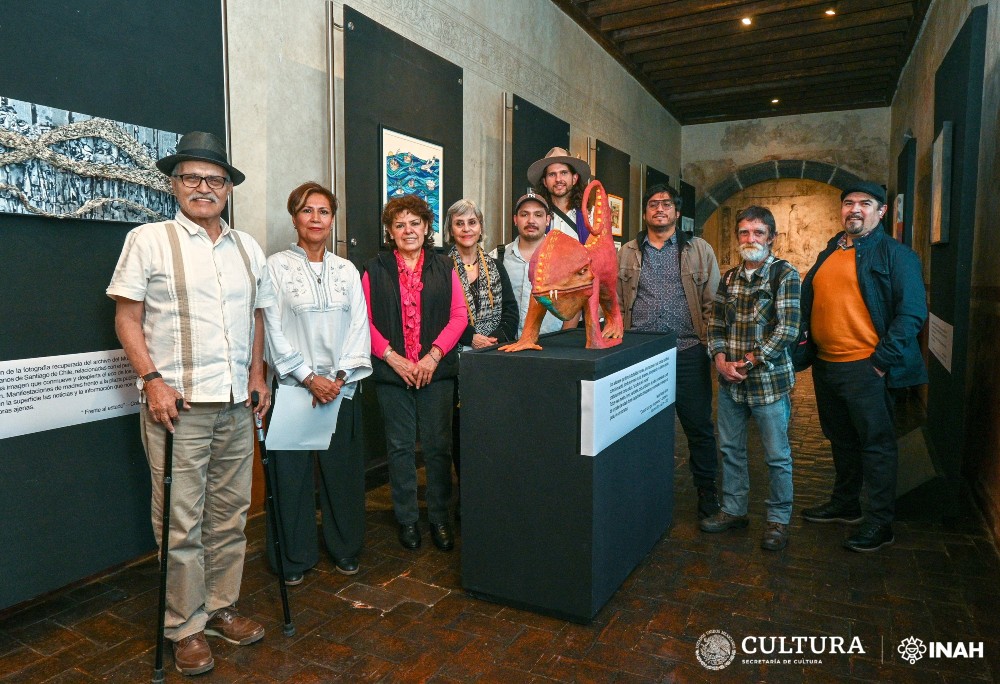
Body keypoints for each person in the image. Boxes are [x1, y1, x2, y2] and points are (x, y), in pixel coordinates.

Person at [107, 132, 275, 676]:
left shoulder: (247, 247)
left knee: (230, 514)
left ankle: (222, 606)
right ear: (174, 184)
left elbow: (255, 318)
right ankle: (185, 626)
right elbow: (127, 318)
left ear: (228, 188)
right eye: (192, 178)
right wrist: (152, 379)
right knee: (181, 521)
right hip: (176, 404)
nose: (204, 188)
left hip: (234, 402)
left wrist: (257, 374)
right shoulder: (148, 239)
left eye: (215, 180)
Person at [799, 181, 927, 552]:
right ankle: (846, 503)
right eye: (849, 203)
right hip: (827, 366)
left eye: (865, 203)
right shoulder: (830, 250)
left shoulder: (895, 255)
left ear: (881, 210)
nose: (855, 209)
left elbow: (913, 313)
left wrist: (881, 362)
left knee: (876, 446)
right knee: (841, 440)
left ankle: (880, 522)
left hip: (866, 368)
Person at [263, 182, 372, 583]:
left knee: (341, 473)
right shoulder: (274, 267)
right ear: (294, 217)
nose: (315, 218)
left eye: (323, 211)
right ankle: (293, 557)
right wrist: (308, 378)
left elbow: (359, 325)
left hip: (341, 389)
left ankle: (345, 548)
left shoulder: (346, 270)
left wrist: (339, 377)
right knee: (289, 477)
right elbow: (271, 328)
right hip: (295, 389)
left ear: (332, 219)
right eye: (307, 210)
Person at [362, 195, 466, 552]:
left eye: (415, 223)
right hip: (393, 374)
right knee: (400, 448)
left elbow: (459, 316)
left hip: (436, 373)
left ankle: (438, 516)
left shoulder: (445, 266)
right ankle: (407, 519)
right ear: (390, 231)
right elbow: (363, 321)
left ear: (426, 227)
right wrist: (393, 358)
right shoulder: (374, 269)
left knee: (438, 448)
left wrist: (432, 357)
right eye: (400, 224)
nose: (408, 230)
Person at [617, 183, 722, 519]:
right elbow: (617, 299)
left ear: (677, 212)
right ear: (645, 211)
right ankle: (640, 492)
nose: (659, 209)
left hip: (688, 351)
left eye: (666, 204)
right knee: (639, 428)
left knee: (698, 427)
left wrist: (711, 345)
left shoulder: (699, 249)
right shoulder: (628, 251)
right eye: (652, 204)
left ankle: (707, 493)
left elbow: (713, 302)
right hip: (640, 353)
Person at [702, 206, 801, 551]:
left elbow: (787, 329)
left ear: (771, 237)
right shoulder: (728, 279)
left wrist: (747, 360)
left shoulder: (784, 275)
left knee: (776, 455)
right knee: (730, 449)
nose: (751, 238)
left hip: (768, 383)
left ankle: (777, 519)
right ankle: (734, 509)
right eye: (744, 232)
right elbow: (715, 324)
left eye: (758, 232)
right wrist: (719, 360)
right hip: (730, 383)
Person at [444, 199, 518, 499]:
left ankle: (490, 493)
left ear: (481, 227)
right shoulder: (440, 266)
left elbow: (511, 311)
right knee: (461, 432)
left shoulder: (495, 266)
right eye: (459, 223)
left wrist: (496, 339)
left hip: (493, 360)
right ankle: (466, 495)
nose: (466, 229)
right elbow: (438, 314)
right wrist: (470, 338)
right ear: (451, 229)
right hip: (455, 360)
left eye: (471, 222)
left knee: (492, 429)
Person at [491, 192, 567, 337]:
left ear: (548, 220)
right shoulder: (496, 257)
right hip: (507, 346)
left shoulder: (563, 259)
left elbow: (575, 305)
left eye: (538, 215)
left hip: (551, 346)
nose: (531, 220)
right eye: (524, 214)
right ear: (515, 219)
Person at [526, 146, 591, 243]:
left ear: (574, 178)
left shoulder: (591, 215)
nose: (558, 179)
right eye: (552, 174)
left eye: (564, 173)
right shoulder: (536, 217)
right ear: (545, 182)